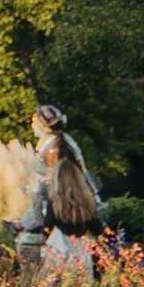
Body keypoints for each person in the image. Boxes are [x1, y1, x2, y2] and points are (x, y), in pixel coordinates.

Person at [16, 103, 103, 275]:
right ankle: (23, 223)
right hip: (77, 208)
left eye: (34, 123)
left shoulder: (55, 148)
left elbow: (54, 180)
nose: (33, 127)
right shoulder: (60, 141)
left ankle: (25, 224)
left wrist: (42, 227)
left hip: (66, 203)